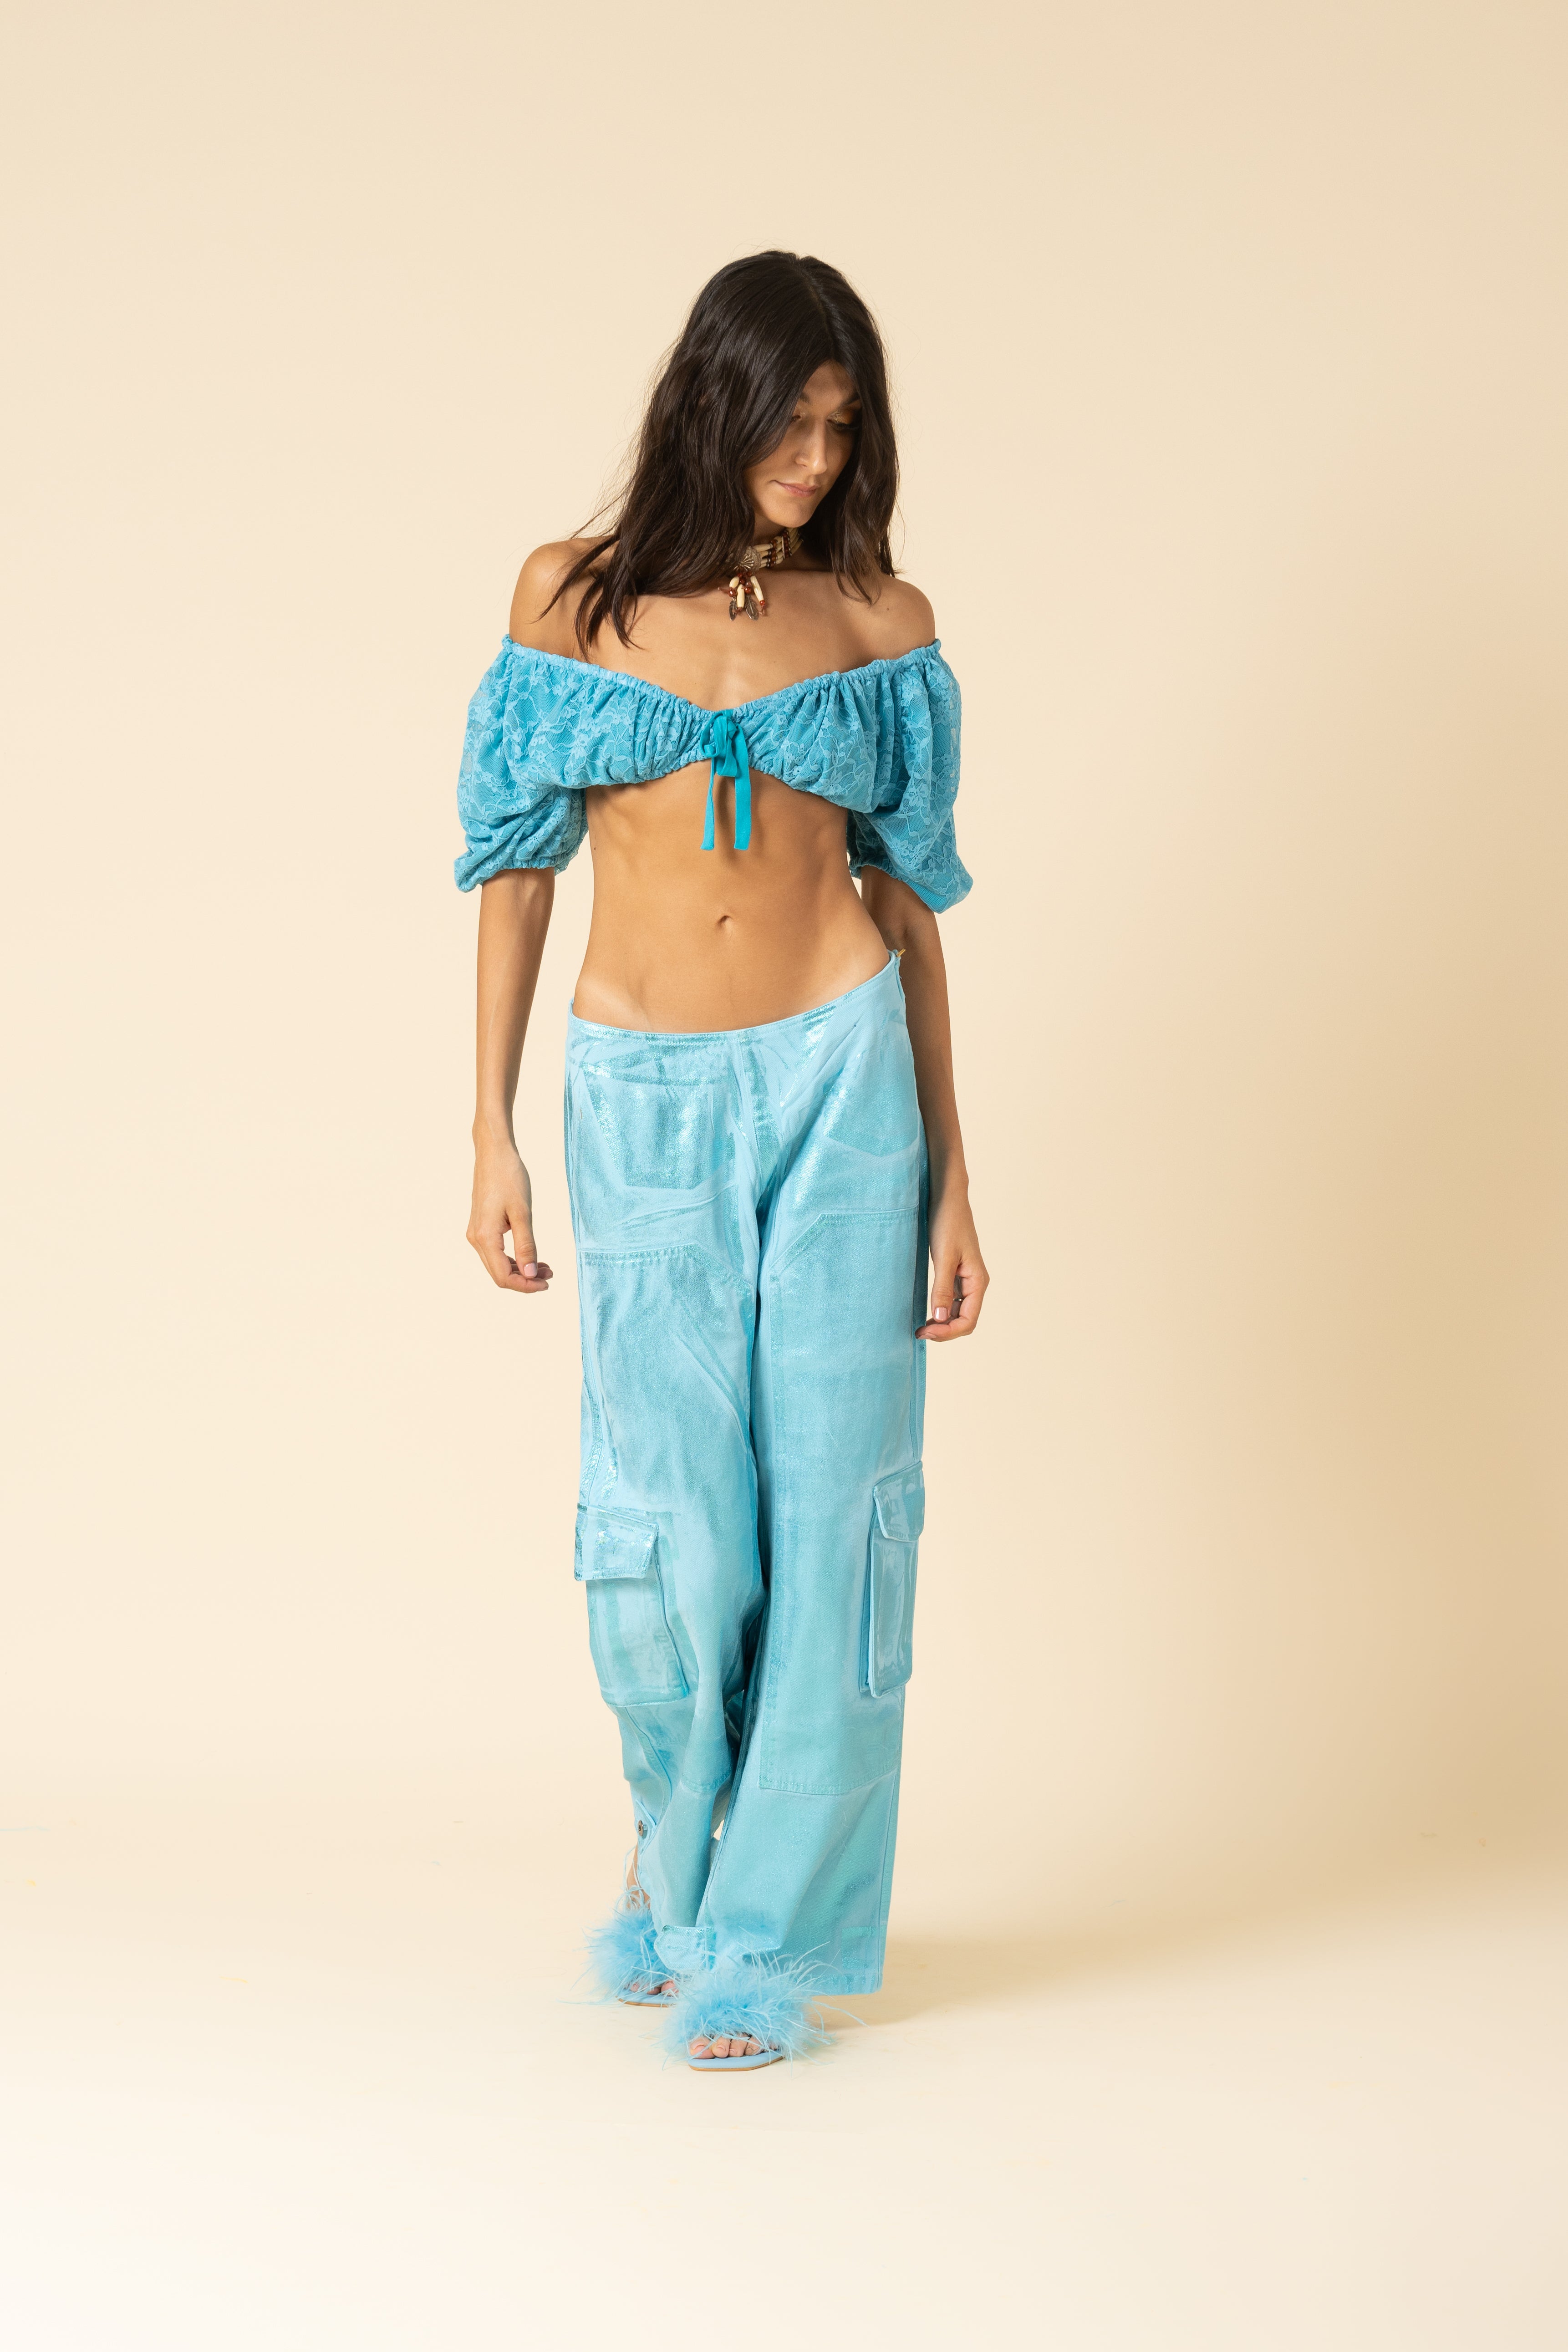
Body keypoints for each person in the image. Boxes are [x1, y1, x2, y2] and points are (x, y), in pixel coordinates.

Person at [456, 250, 987, 2070]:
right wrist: (489, 1127)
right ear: (714, 399)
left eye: (844, 426)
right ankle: (673, 1873)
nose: (818, 457)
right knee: (672, 1522)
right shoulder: (569, 597)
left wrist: (955, 1175)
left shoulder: (882, 622)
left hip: (845, 1074)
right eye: (791, 418)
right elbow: (514, 874)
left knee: (839, 1508)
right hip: (642, 1091)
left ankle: (764, 1938)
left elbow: (907, 904)